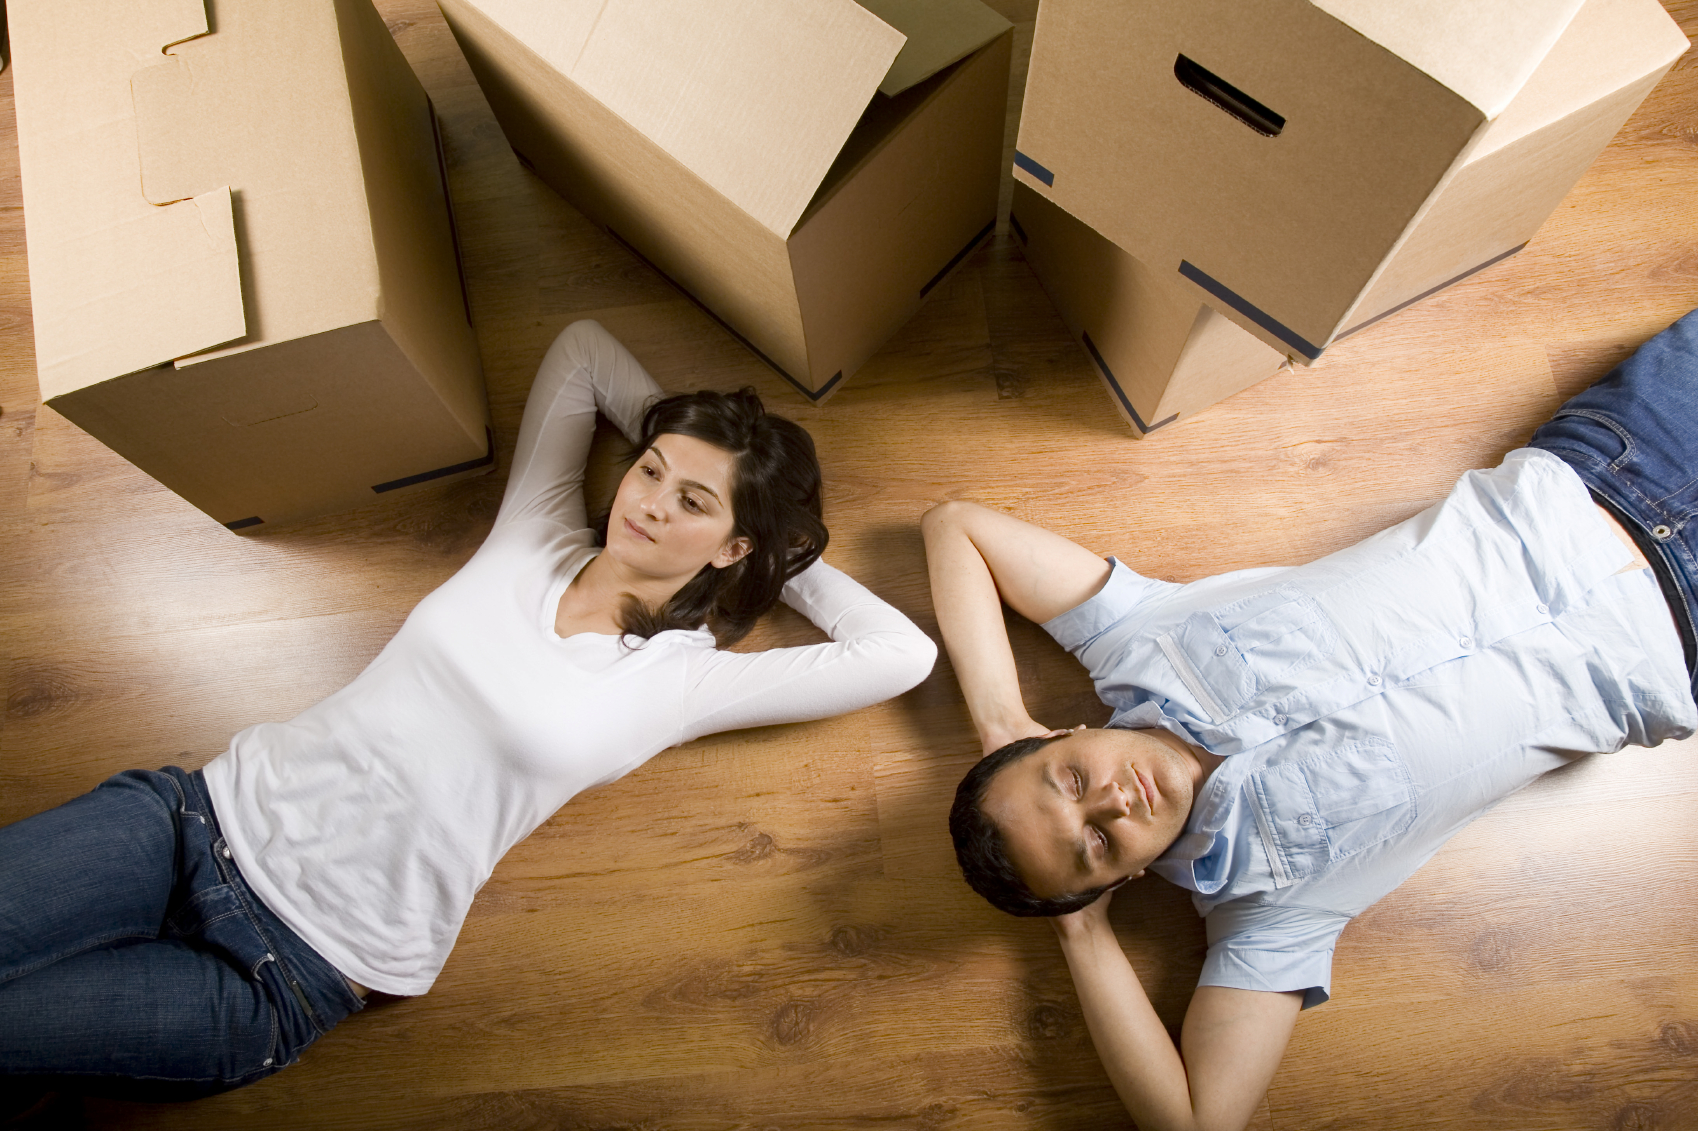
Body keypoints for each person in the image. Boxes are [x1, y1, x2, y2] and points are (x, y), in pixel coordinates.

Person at [0, 320, 936, 1103]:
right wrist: (698, 442)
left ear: (732, 546)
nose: (649, 504)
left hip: (294, 964)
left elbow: (901, 653)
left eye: (691, 501)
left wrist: (776, 546)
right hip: (193, 819)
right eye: (649, 471)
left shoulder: (684, 680)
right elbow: (582, 351)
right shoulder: (535, 531)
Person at [925, 309, 1698, 1131]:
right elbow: (1196, 1120)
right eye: (1097, 845)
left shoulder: (1137, 638)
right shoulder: (1270, 905)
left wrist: (1001, 720)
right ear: (1124, 881)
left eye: (1072, 779)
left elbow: (956, 528)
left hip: (1618, 461)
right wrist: (1081, 936)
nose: (1115, 802)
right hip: (1677, 641)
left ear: (1065, 735)